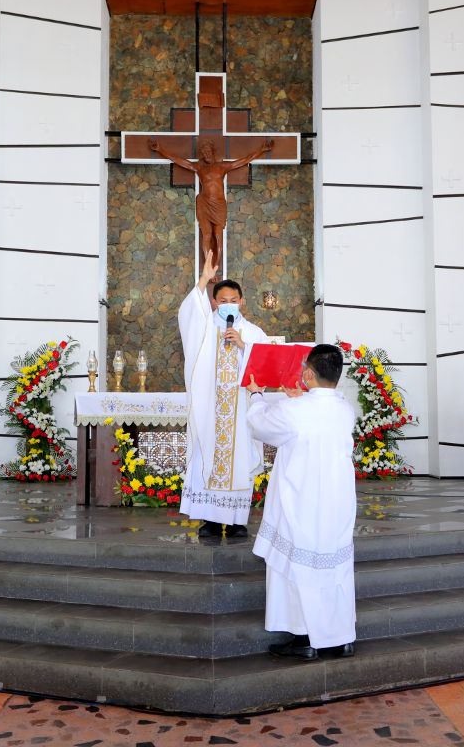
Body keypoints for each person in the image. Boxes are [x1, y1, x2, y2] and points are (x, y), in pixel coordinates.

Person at [245, 344, 357, 660]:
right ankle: (341, 638)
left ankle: (305, 638)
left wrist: (256, 395)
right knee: (335, 569)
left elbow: (260, 425)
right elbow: (312, 422)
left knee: (296, 567)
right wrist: (299, 399)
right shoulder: (345, 409)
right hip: (336, 502)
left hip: (302, 500)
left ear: (308, 373)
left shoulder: (295, 411)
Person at [179, 248, 269, 537]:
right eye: (222, 301)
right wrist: (204, 278)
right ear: (214, 302)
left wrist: (244, 346)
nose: (229, 304)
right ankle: (210, 520)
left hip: (241, 414)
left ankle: (236, 521)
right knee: (208, 457)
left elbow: (265, 367)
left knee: (239, 461)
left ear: (242, 302)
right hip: (210, 412)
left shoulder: (254, 334)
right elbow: (189, 315)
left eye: (234, 300)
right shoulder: (205, 327)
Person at [149, 137, 273, 271]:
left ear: (212, 152)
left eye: (208, 151)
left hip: (218, 205)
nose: (206, 155)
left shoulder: (222, 167)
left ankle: (216, 265)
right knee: (207, 234)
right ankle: (208, 268)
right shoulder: (199, 167)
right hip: (205, 203)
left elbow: (244, 160)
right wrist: (160, 150)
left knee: (218, 235)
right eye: (203, 153)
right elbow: (179, 161)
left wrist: (261, 150)